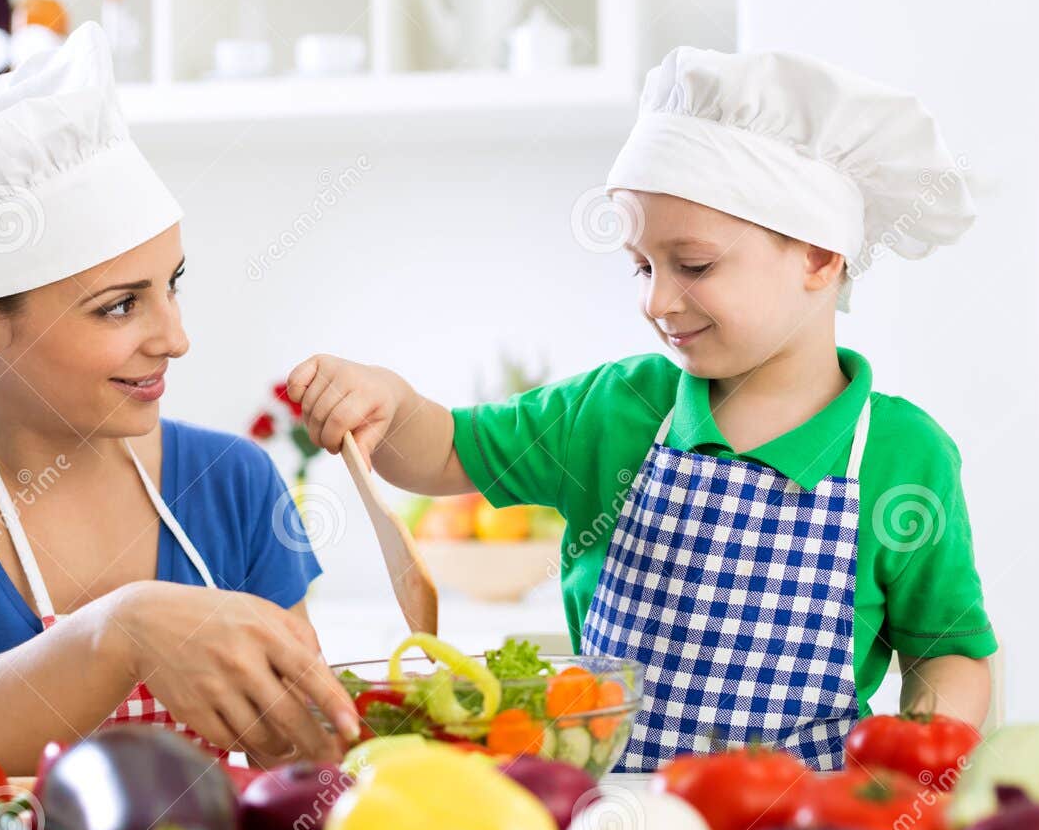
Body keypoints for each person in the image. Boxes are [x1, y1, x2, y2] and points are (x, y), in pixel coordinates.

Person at [287, 48, 996, 772]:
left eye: (693, 265)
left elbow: (949, 652)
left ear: (819, 257)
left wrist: (919, 753)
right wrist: (392, 404)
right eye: (641, 265)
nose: (656, 300)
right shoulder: (617, 408)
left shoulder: (904, 454)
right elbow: (442, 452)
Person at [0, 22, 358, 779]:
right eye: (119, 306)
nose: (174, 338)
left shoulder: (230, 480)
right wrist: (122, 629)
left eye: (171, 286)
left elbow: (296, 756)